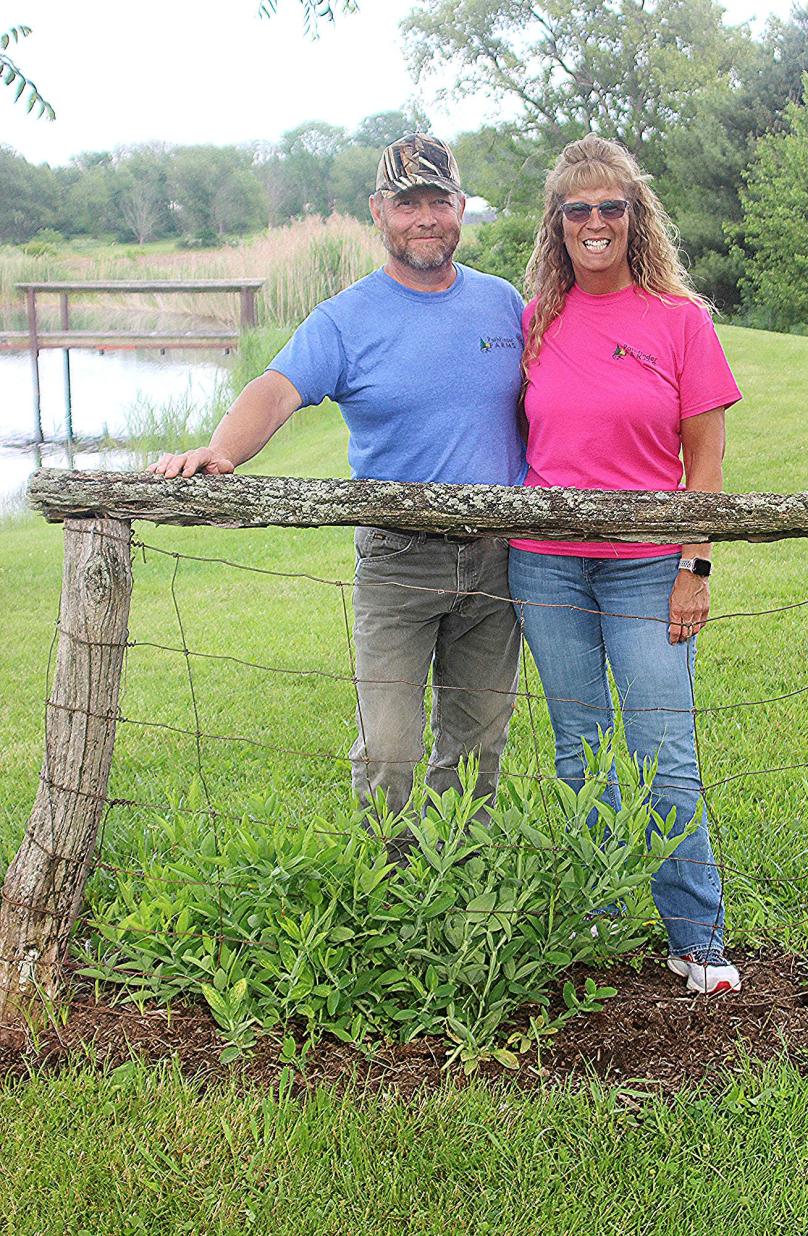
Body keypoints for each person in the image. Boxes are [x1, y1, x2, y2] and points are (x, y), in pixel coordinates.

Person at [150, 134, 526, 824]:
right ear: (378, 214)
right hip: (397, 558)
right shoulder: (346, 319)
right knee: (389, 747)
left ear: (461, 208)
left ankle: (461, 886)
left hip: (499, 559)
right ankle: (388, 885)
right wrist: (220, 450)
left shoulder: (504, 305)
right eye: (407, 203)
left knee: (477, 745)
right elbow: (276, 389)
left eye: (437, 202)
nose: (425, 219)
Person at [508, 135, 742, 995]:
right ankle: (595, 919)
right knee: (581, 752)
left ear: (635, 218)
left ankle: (696, 940)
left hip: (650, 570)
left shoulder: (681, 322)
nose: (596, 223)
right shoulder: (534, 322)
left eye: (613, 207)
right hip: (545, 569)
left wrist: (696, 567)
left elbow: (706, 465)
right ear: (558, 225)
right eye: (579, 210)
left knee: (664, 750)